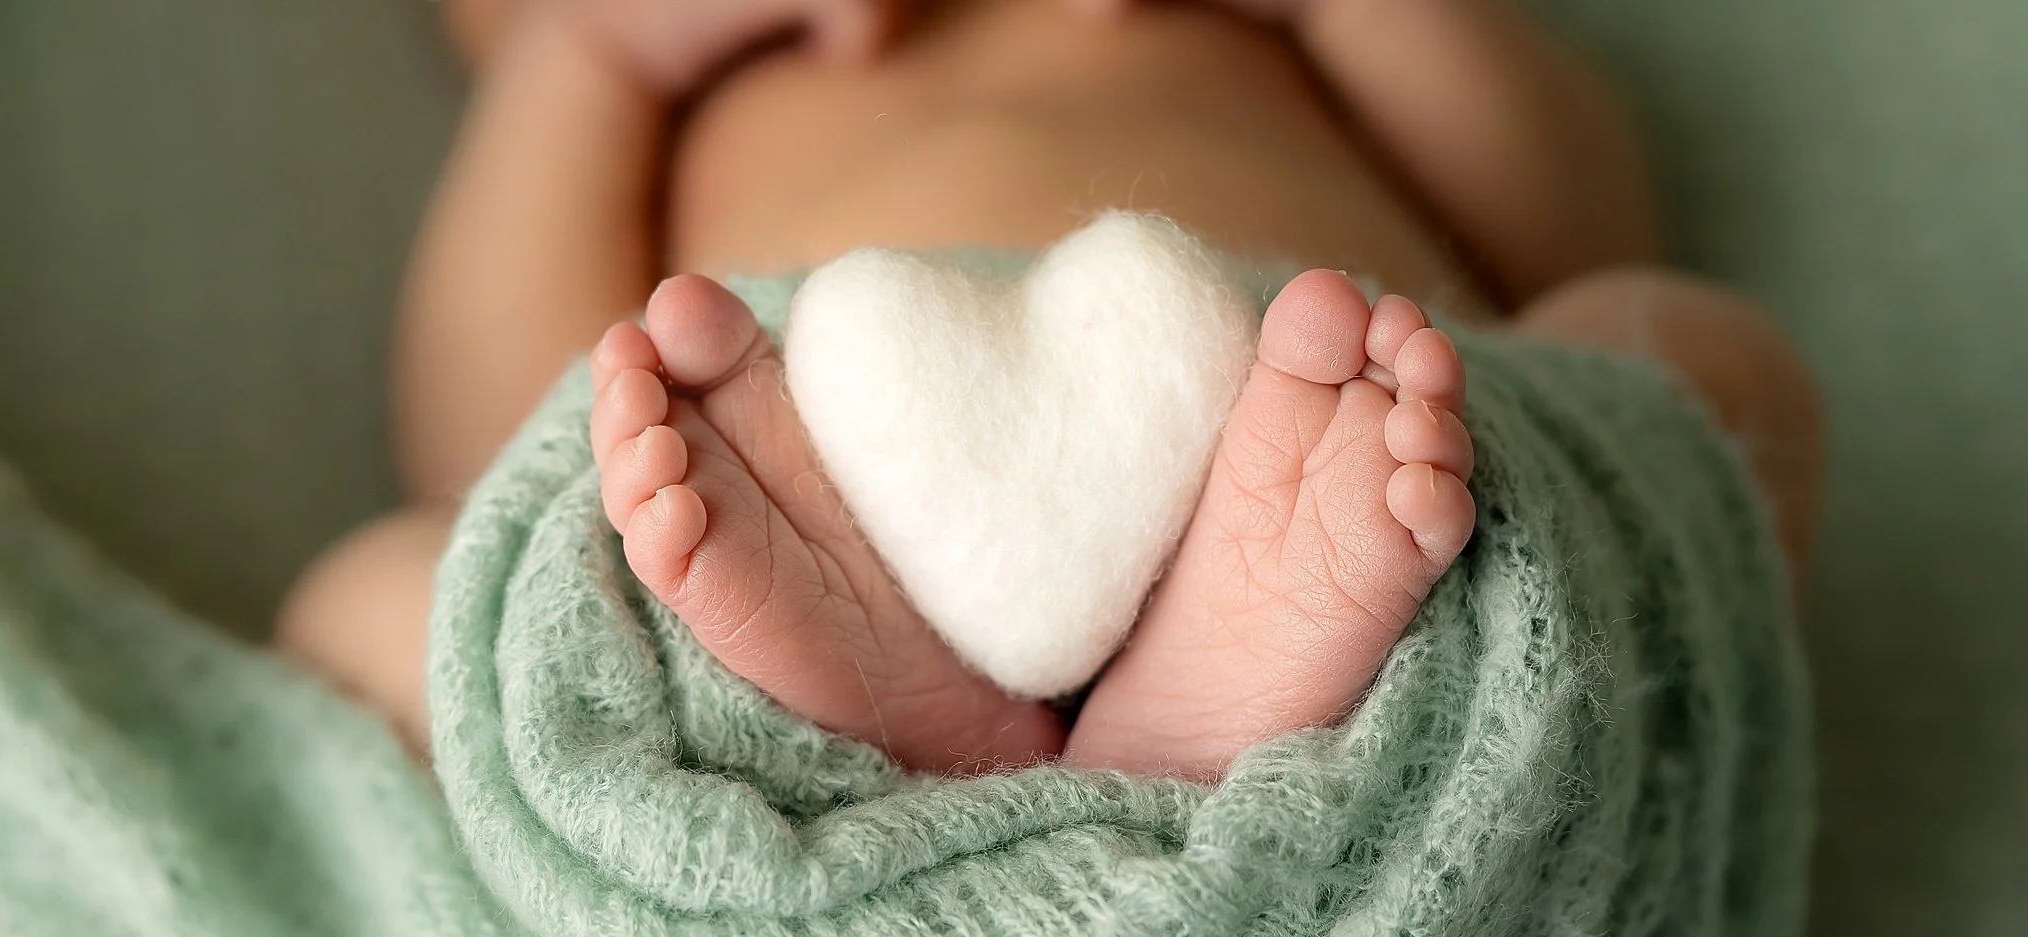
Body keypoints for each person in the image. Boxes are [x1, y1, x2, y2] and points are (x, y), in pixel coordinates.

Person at [278, 0, 1822, 779]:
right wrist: (591, 64)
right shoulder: (681, 80)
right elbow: (498, 443)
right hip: (806, 530)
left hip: (1327, 455)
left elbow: (1563, 232)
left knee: (1683, 351)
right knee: (394, 593)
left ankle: (1204, 690)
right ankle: (985, 721)